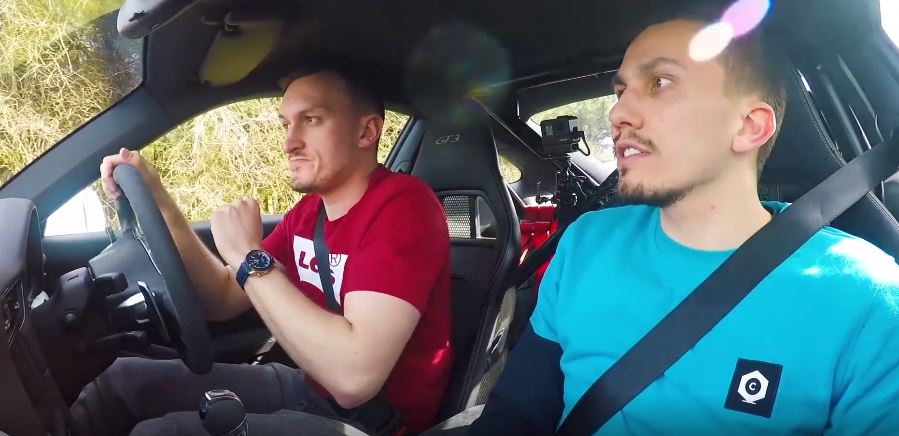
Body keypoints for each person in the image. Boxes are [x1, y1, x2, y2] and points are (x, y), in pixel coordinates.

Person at [469, 7, 899, 436]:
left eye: (660, 82)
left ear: (750, 127)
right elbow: (515, 414)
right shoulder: (586, 244)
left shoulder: (865, 296)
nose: (618, 114)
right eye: (621, 92)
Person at [70, 66, 453, 436]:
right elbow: (224, 297)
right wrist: (158, 196)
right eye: (286, 124)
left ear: (366, 131)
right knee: (120, 383)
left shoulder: (404, 207)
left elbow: (354, 378)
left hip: (373, 423)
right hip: (309, 387)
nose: (290, 143)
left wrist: (246, 253)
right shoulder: (309, 213)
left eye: (312, 120)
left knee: (159, 433)